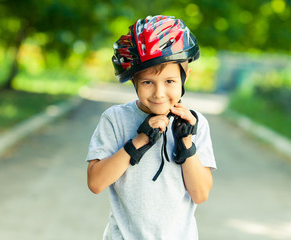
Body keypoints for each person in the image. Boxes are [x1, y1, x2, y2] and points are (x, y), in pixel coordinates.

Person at [86, 15, 217, 239]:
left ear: (185, 78)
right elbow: (96, 183)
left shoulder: (195, 123)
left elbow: (200, 193)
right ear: (134, 81)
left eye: (170, 81)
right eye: (148, 82)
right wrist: (138, 142)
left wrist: (186, 143)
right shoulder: (115, 119)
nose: (159, 93)